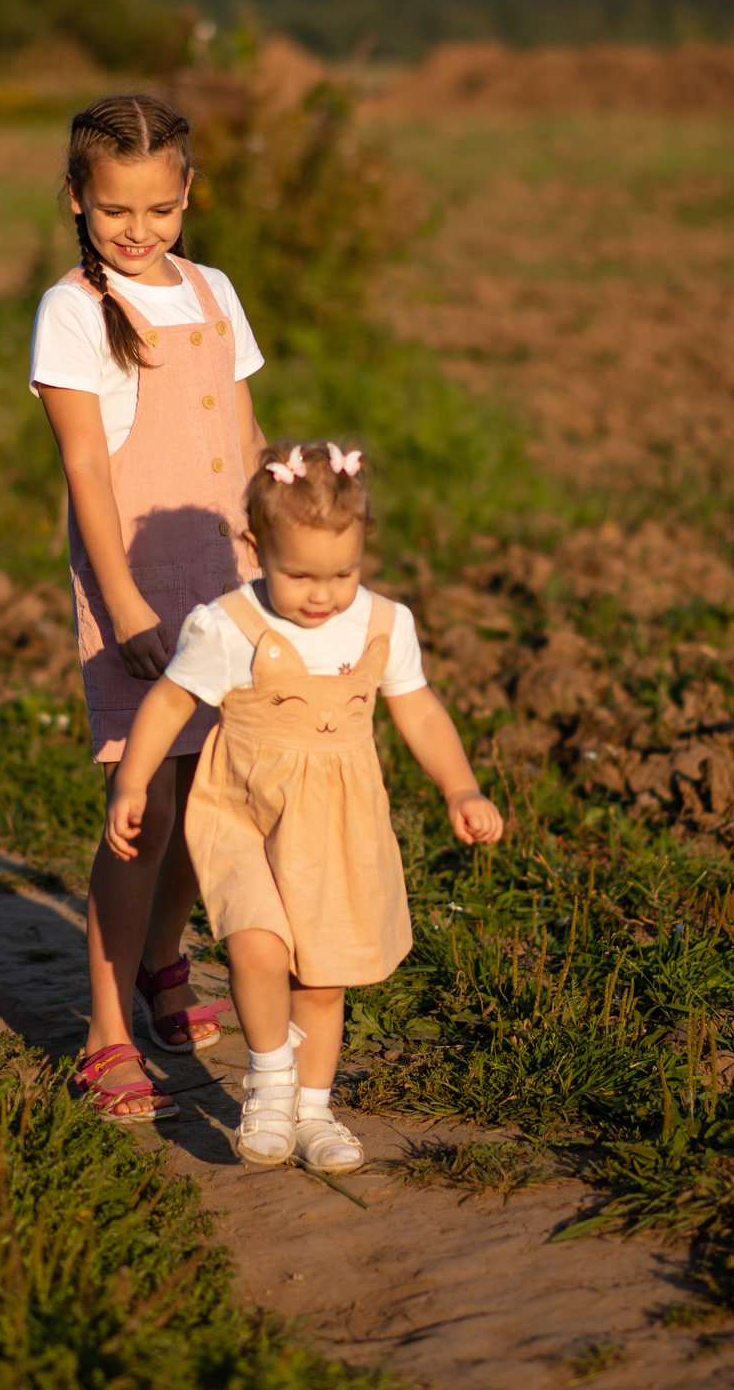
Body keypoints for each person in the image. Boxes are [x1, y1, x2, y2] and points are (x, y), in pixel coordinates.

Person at [106, 441, 505, 1172]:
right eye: (298, 575)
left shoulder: (384, 625)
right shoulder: (227, 623)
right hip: (243, 813)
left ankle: (316, 1112)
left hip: (336, 825)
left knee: (320, 980)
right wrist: (134, 780)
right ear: (256, 550)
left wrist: (461, 786)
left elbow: (418, 710)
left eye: (342, 574)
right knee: (257, 947)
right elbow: (169, 701)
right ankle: (268, 1087)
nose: (322, 595)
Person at [33, 93, 265, 1120]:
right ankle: (105, 1031)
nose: (138, 231)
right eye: (115, 209)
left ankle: (165, 972)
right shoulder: (74, 309)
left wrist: (272, 573)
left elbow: (246, 439)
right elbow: (85, 461)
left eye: (158, 209)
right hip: (139, 585)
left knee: (206, 798)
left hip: (226, 580)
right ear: (78, 198)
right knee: (147, 810)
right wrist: (122, 602)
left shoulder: (213, 289)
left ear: (185, 195)